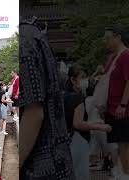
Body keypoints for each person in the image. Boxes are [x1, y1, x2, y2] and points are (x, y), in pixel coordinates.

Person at [20, 20, 75, 179]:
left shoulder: (24, 42)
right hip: (57, 158)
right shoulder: (33, 34)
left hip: (39, 165)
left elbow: (34, 113)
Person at [64, 65, 112, 179]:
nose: (85, 80)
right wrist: (101, 127)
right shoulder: (77, 98)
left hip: (67, 139)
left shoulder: (64, 95)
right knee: (81, 175)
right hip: (78, 140)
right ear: (73, 79)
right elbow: (78, 123)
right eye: (82, 77)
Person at [102, 25, 129, 179]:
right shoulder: (112, 58)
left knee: (124, 145)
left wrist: (123, 105)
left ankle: (126, 175)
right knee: (116, 146)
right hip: (110, 108)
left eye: (108, 38)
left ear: (118, 37)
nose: (106, 41)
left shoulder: (126, 55)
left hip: (122, 108)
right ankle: (120, 174)